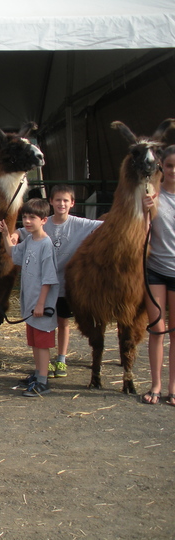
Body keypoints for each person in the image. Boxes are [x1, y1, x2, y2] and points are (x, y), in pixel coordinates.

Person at [18, 186, 101, 378]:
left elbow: (104, 225)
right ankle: (42, 367)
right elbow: (24, 231)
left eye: (65, 201)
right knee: (42, 323)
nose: (61, 204)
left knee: (63, 321)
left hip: (64, 284)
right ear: (51, 202)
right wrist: (14, 235)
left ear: (72, 203)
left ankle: (61, 359)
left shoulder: (81, 224)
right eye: (57, 200)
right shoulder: (44, 223)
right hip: (44, 286)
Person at [0, 198, 59, 397]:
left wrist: (41, 303)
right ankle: (38, 374)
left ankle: (43, 381)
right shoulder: (30, 241)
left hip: (40, 306)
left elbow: (49, 278)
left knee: (42, 344)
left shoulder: (46, 245)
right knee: (34, 342)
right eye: (25, 217)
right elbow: (13, 253)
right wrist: (6, 234)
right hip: (30, 304)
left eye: (32, 217)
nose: (27, 221)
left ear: (44, 220)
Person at [142, 145, 175, 406]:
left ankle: (172, 387)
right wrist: (144, 210)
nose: (173, 171)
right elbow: (142, 233)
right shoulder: (153, 195)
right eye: (170, 165)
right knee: (157, 330)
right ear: (162, 165)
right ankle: (155, 384)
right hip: (155, 269)